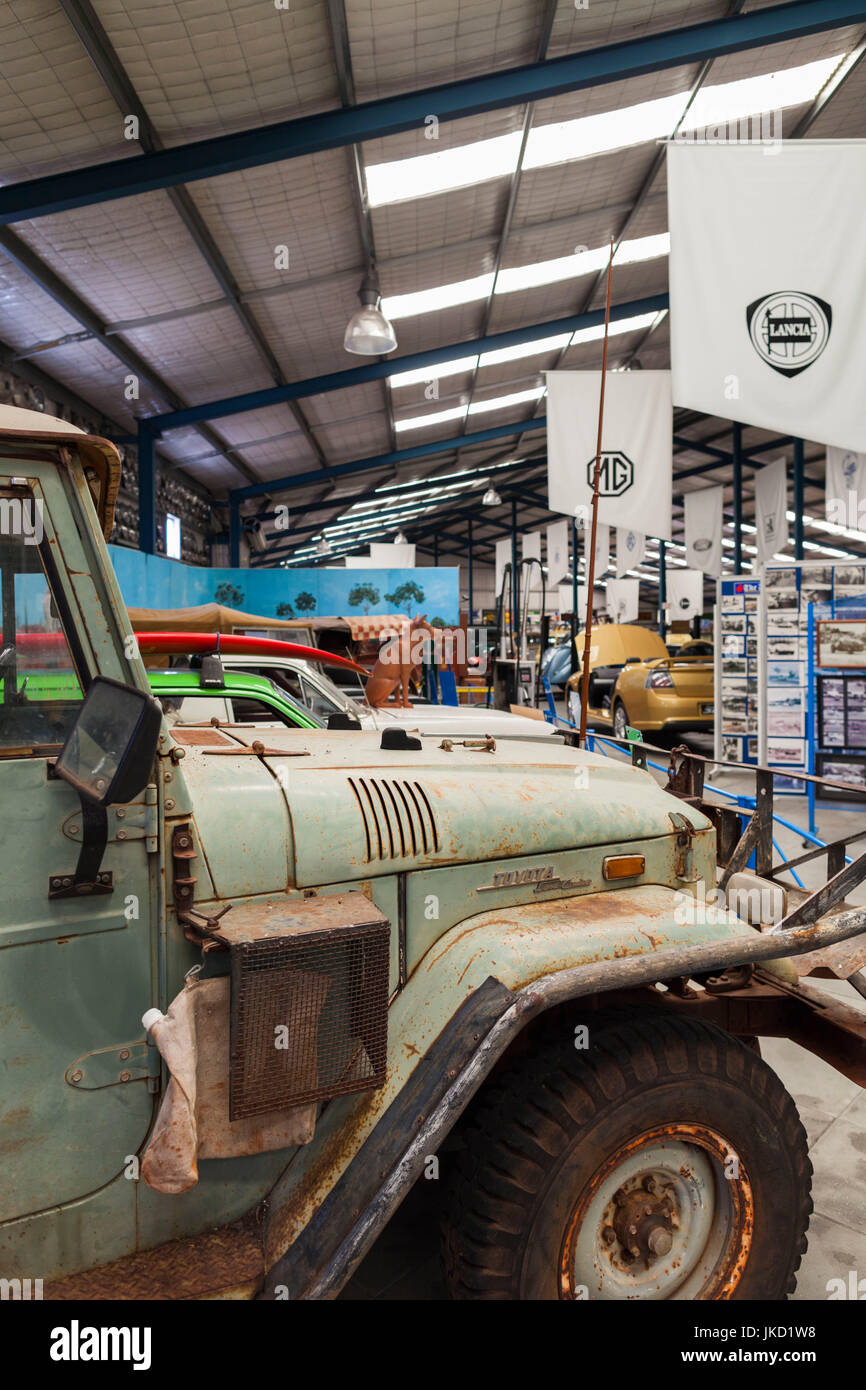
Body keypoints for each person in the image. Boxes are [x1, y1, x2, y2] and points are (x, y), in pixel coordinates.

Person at [365, 615, 434, 708]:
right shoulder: (404, 647)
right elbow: (405, 676)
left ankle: (395, 699)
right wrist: (405, 702)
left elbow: (398, 677)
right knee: (392, 679)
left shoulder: (404, 645)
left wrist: (397, 699)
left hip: (385, 683)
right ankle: (380, 702)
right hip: (380, 686)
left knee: (393, 679)